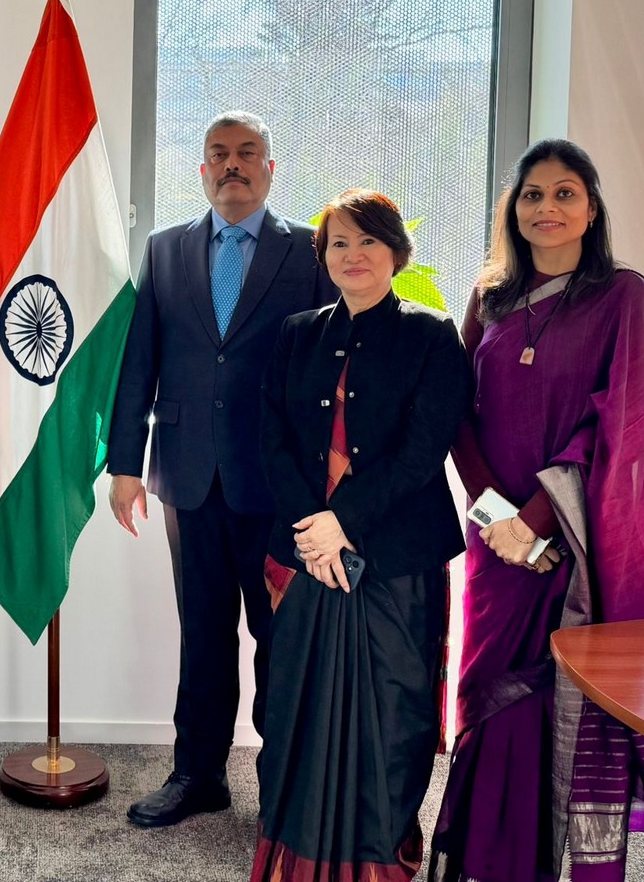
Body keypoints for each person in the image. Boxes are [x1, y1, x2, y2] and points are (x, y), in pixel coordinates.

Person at [430, 139, 644, 882]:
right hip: (497, 542)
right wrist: (494, 518)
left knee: (565, 691)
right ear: (514, 210)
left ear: (591, 207)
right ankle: (493, 861)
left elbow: (615, 421)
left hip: (578, 544)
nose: (547, 208)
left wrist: (535, 522)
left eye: (565, 193)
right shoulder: (490, 296)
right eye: (532, 194)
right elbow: (456, 414)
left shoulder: (622, 295)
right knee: (491, 693)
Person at [107, 110, 336, 827]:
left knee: (280, 640)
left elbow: (331, 370)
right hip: (186, 475)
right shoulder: (167, 250)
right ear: (200, 170)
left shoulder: (309, 252)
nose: (231, 165)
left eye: (247, 153)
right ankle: (197, 774)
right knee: (203, 634)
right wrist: (124, 464)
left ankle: (284, 785)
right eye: (218, 155)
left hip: (279, 487)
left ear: (271, 168)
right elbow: (139, 357)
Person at [254, 189, 470, 882]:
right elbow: (274, 443)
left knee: (392, 714)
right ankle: (296, 856)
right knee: (294, 711)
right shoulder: (294, 335)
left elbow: (422, 450)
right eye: (338, 243)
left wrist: (344, 521)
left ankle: (380, 860)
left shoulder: (433, 336)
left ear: (396, 253)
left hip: (398, 558)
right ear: (323, 256)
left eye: (367, 241)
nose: (353, 255)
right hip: (303, 555)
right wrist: (316, 533)